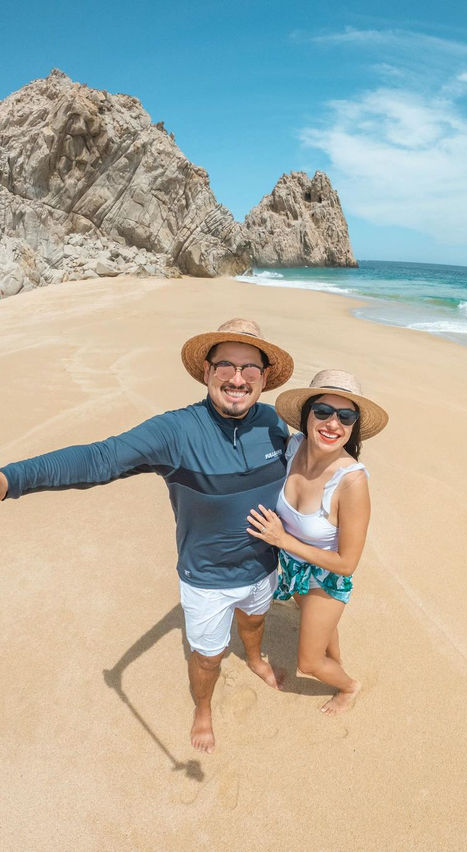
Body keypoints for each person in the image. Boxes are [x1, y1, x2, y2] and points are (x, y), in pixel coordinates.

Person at [0, 318, 294, 754]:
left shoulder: (273, 423)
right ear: (207, 371)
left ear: (264, 377)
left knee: (254, 621)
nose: (237, 378)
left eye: (250, 368)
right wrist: (10, 479)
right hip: (207, 580)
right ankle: (203, 709)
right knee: (208, 658)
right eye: (226, 365)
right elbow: (100, 459)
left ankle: (253, 658)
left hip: (264, 566)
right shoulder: (175, 431)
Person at [246, 370, 388, 715]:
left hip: (327, 576)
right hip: (295, 567)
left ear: (354, 425)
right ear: (307, 415)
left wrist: (282, 540)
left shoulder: (351, 481)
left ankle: (348, 685)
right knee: (322, 633)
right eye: (322, 411)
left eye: (345, 416)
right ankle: (335, 660)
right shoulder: (293, 447)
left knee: (308, 663)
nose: (332, 423)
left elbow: (346, 564)